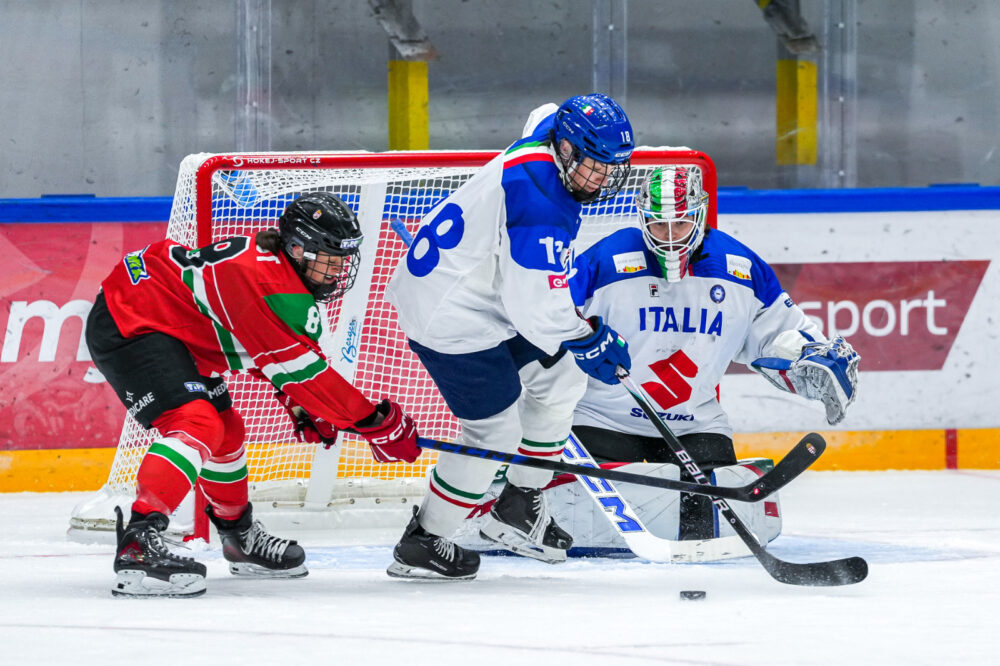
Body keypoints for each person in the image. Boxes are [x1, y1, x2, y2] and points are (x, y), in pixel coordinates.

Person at [86, 192, 421, 597]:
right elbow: (304, 373)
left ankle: (238, 537)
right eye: (329, 259)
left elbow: (273, 354)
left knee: (226, 431)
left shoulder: (279, 271)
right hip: (135, 318)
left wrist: (299, 403)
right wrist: (376, 421)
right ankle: (140, 541)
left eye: (343, 260)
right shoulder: (269, 284)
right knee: (197, 422)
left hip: (173, 323)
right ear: (297, 249)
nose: (337, 271)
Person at [383, 93, 635, 579]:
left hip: (483, 292)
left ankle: (518, 504)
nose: (602, 179)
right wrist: (589, 337)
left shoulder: (548, 136)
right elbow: (536, 306)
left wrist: (577, 342)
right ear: (564, 149)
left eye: (610, 168)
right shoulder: (539, 202)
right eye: (594, 166)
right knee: (493, 433)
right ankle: (423, 541)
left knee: (560, 377)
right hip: (449, 317)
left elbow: (544, 109)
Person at [569, 165, 860, 541]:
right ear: (642, 219)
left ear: (699, 216)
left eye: (681, 224)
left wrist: (809, 356)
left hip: (696, 424)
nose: (670, 237)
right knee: (583, 517)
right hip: (604, 418)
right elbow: (553, 319)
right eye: (659, 225)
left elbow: (778, 331)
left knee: (708, 526)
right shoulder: (605, 261)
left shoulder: (738, 268)